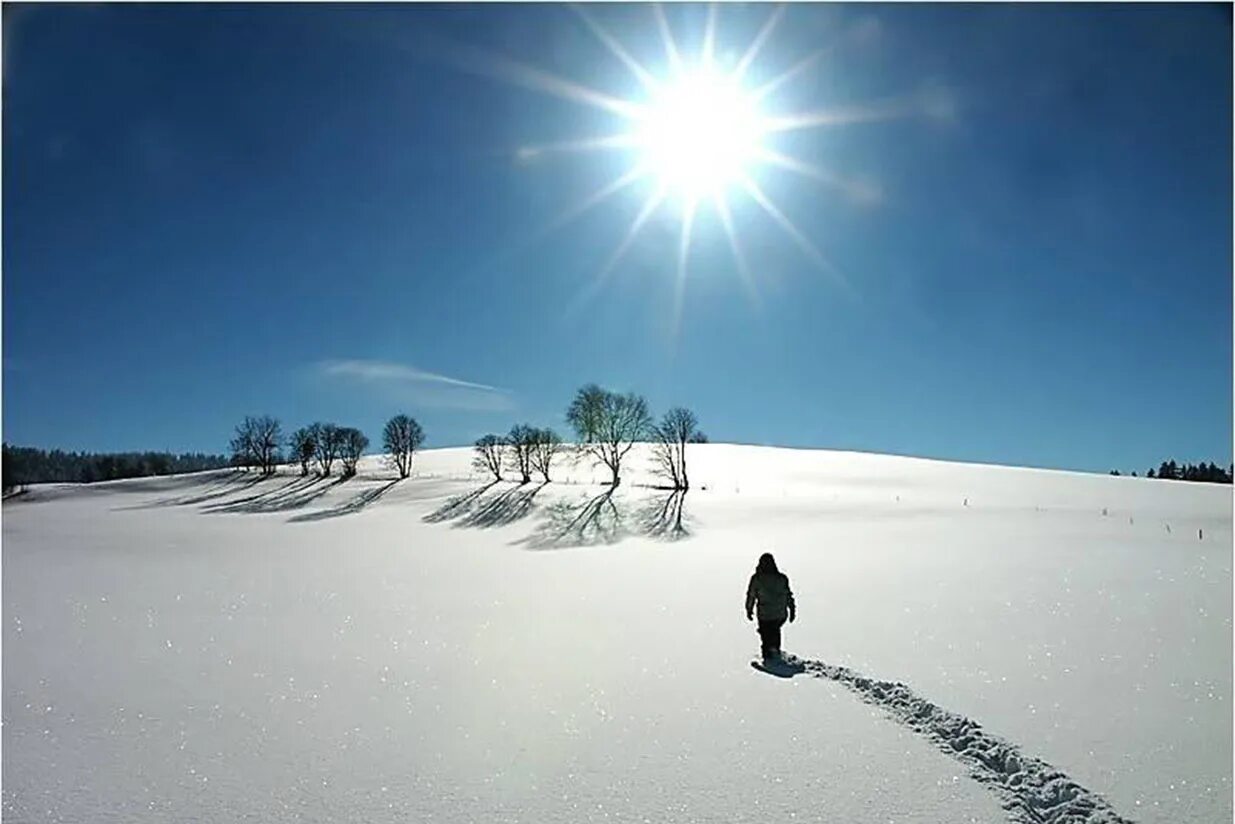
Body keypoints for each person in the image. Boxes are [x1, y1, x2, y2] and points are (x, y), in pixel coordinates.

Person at [745, 553, 796, 661]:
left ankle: (768, 657)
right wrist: (792, 609)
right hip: (780, 614)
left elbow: (751, 595)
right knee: (775, 629)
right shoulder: (782, 578)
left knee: (766, 633)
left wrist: (749, 609)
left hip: (765, 615)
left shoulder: (757, 579)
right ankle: (775, 650)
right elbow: (788, 595)